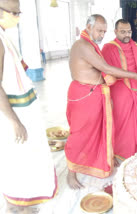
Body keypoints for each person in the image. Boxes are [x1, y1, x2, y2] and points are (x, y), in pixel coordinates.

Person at [66, 14, 137, 189]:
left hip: (95, 94)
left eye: (104, 32)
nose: (101, 35)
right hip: (85, 95)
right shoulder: (82, 45)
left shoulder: (92, 45)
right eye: (99, 30)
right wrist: (136, 76)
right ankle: (70, 173)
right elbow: (105, 68)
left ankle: (102, 159)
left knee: (98, 132)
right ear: (88, 27)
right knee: (80, 134)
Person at [0, 0, 57, 213]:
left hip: (23, 113)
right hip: (13, 117)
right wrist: (15, 122)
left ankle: (25, 203)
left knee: (28, 162)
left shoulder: (4, 36)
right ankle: (18, 206)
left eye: (18, 12)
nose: (17, 17)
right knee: (18, 165)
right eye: (13, 12)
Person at [101, 19, 137, 161]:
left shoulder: (135, 46)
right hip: (120, 90)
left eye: (129, 31)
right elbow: (104, 69)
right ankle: (120, 152)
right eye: (123, 32)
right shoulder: (108, 48)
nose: (127, 34)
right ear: (115, 32)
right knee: (122, 122)